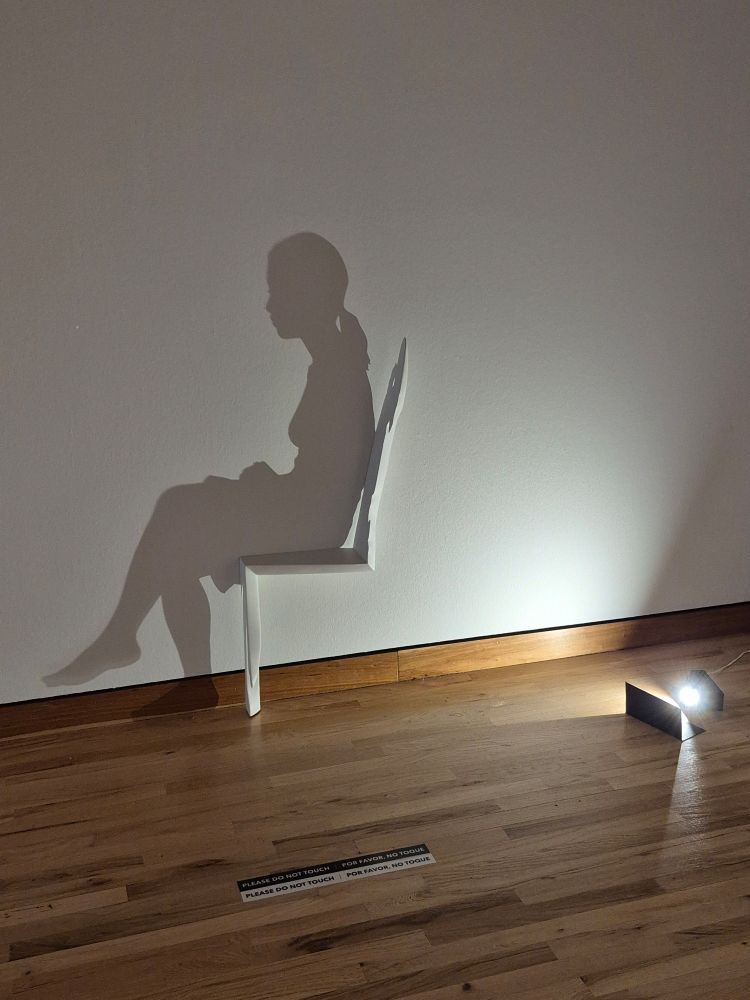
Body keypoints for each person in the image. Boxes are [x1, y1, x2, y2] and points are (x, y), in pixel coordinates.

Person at [45, 233, 375, 688]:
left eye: (278, 290)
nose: (269, 304)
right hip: (304, 510)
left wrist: (266, 488)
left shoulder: (338, 367)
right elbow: (326, 472)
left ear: (309, 292)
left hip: (310, 522)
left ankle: (129, 642)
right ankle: (177, 675)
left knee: (177, 509)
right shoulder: (334, 361)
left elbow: (327, 488)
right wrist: (270, 483)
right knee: (174, 543)